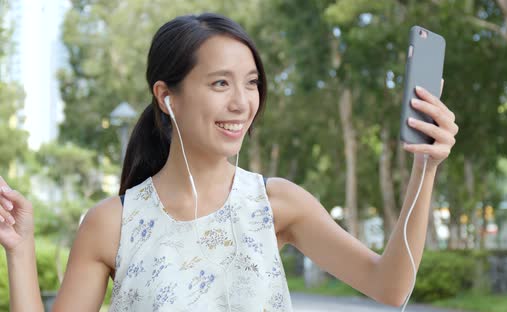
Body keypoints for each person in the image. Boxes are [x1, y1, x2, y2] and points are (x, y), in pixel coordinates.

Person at [0, 13, 458, 312]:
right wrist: (20, 251)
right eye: (220, 83)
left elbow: (391, 286)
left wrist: (426, 167)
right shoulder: (111, 223)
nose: (242, 102)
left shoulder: (276, 203)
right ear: (167, 97)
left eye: (251, 83)